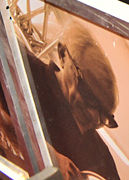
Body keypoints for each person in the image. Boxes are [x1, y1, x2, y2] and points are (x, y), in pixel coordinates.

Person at [0, 22, 121, 180]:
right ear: (63, 55)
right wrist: (49, 156)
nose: (92, 115)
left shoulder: (101, 156)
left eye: (104, 117)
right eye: (88, 94)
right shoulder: (22, 66)